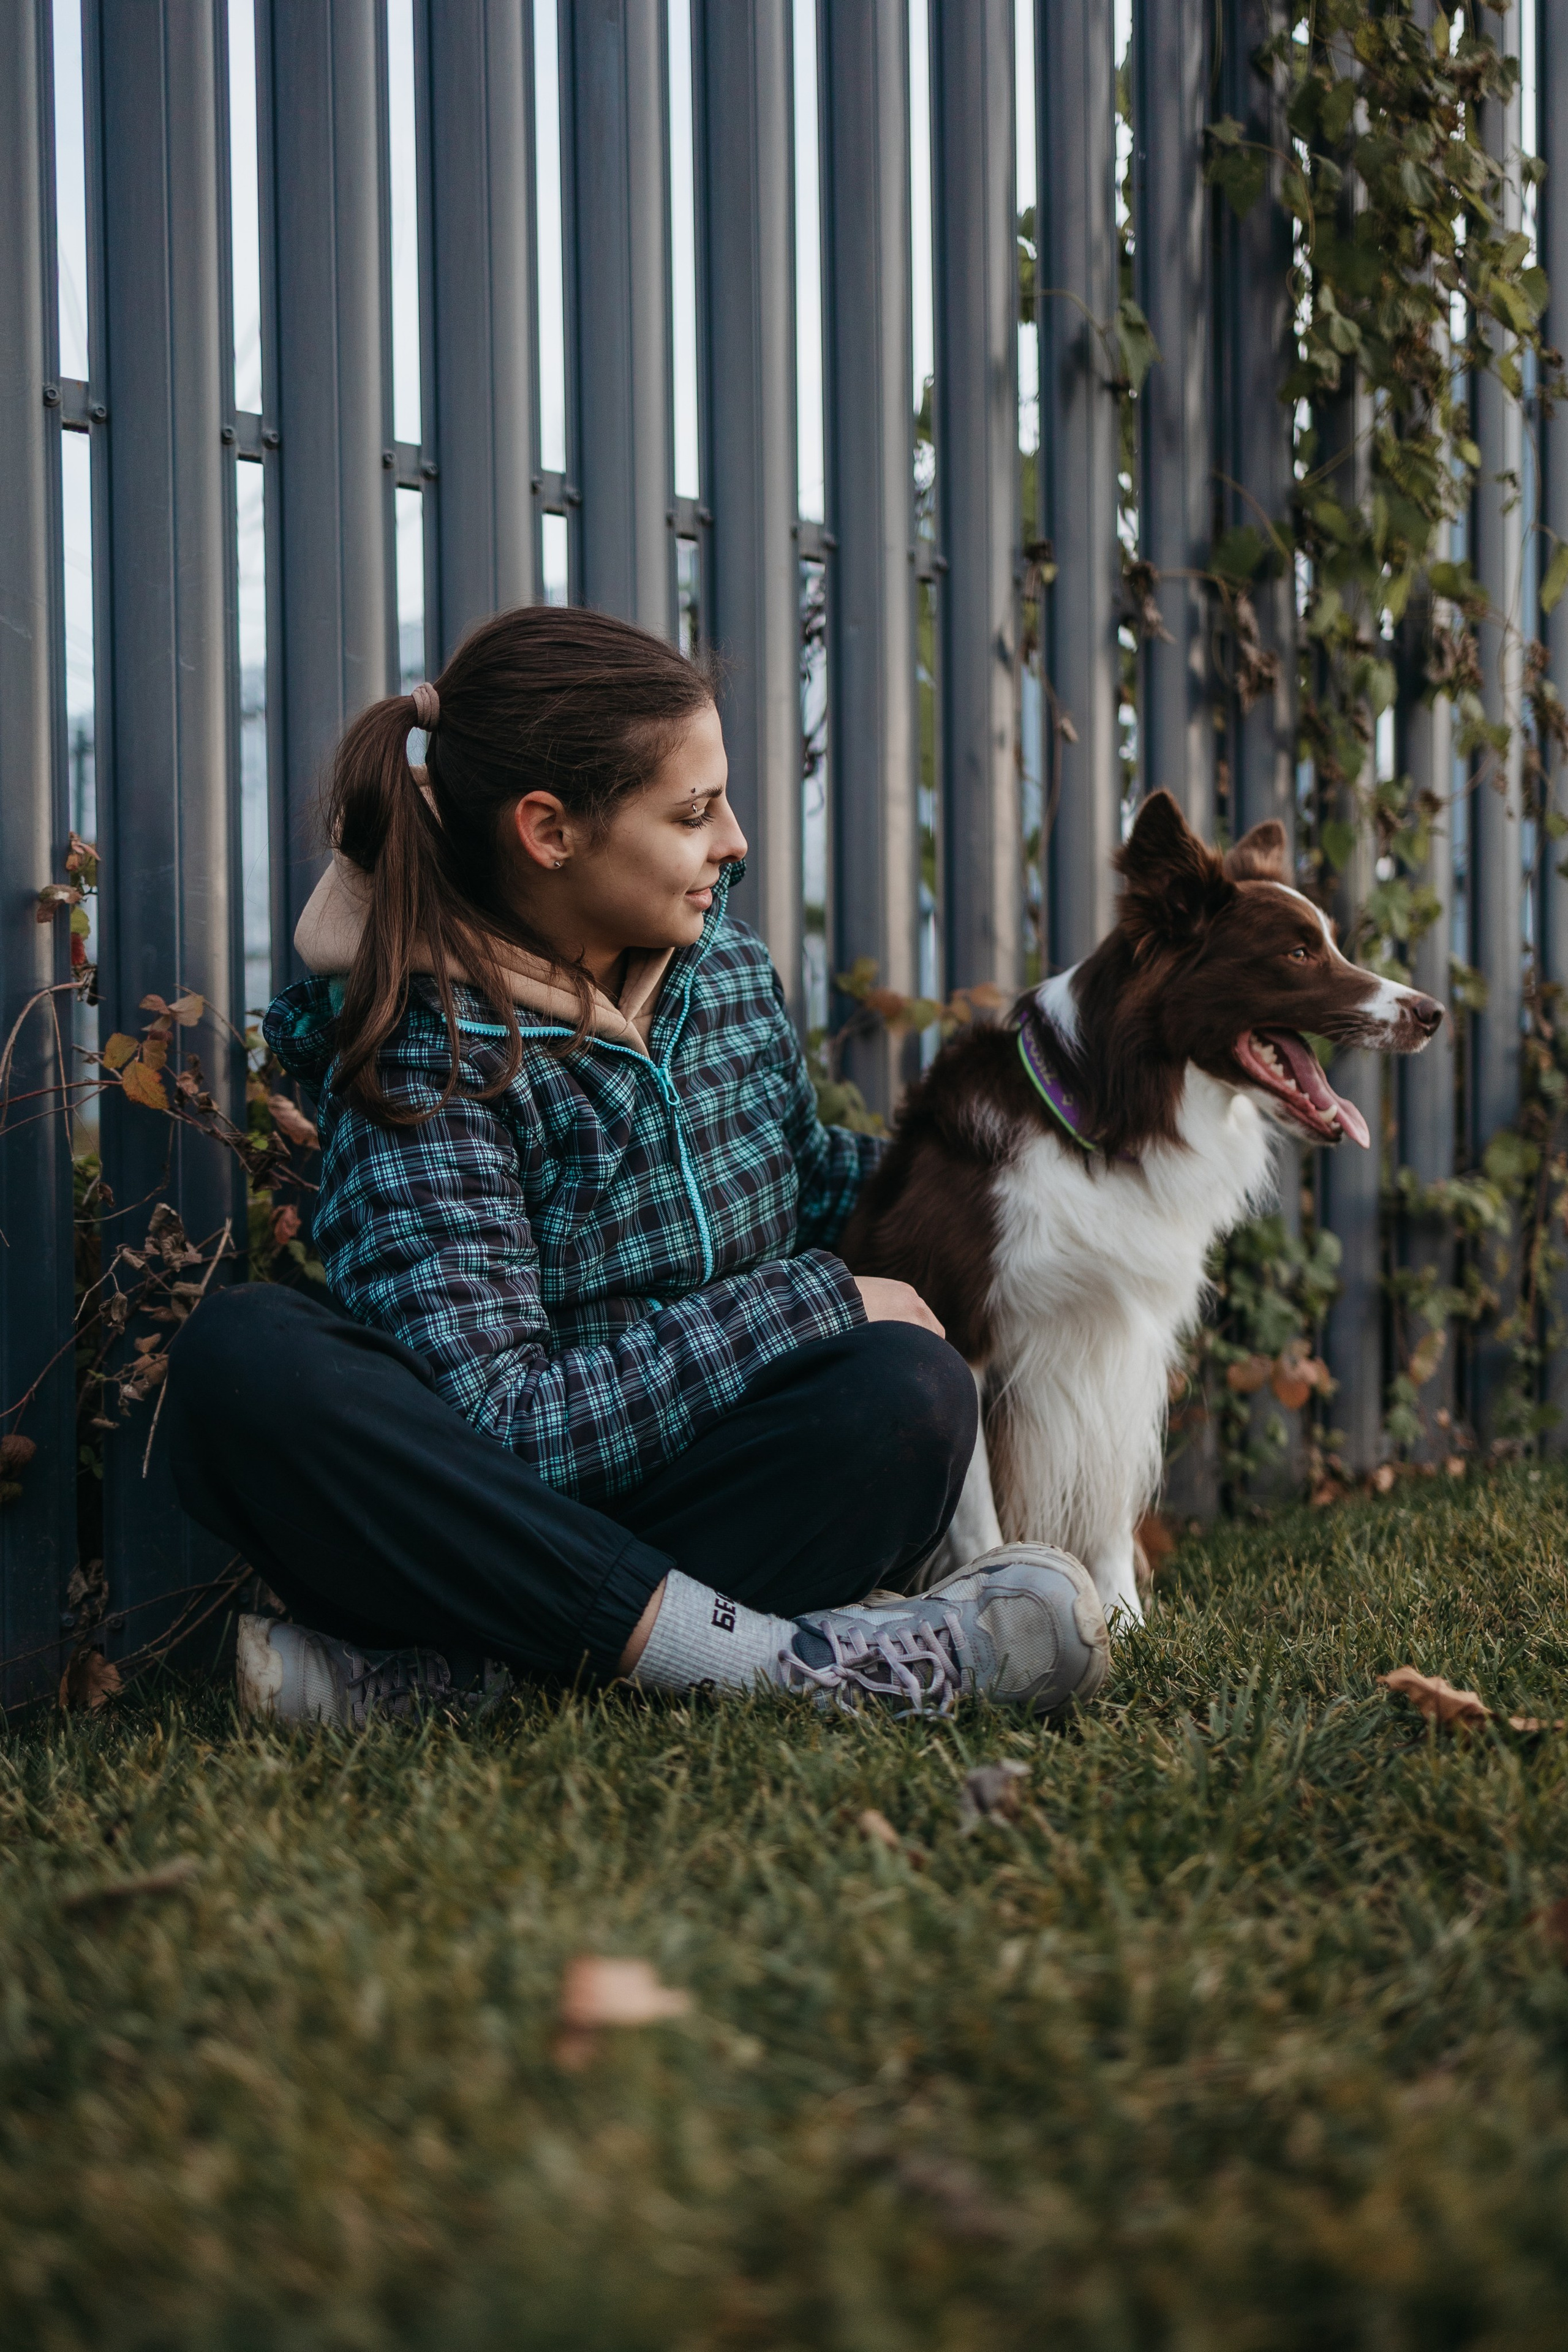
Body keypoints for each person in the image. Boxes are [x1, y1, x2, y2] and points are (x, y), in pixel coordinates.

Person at [165, 606, 1109, 1722]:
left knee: (907, 1394)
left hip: (691, 1496)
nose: (737, 841)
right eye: (695, 812)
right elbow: (508, 1430)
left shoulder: (729, 972)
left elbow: (806, 1183)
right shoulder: (430, 1060)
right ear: (549, 831)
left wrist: (1022, 1195)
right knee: (247, 1361)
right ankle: (775, 1666)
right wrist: (808, 1301)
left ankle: (460, 1682)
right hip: (491, 1521)